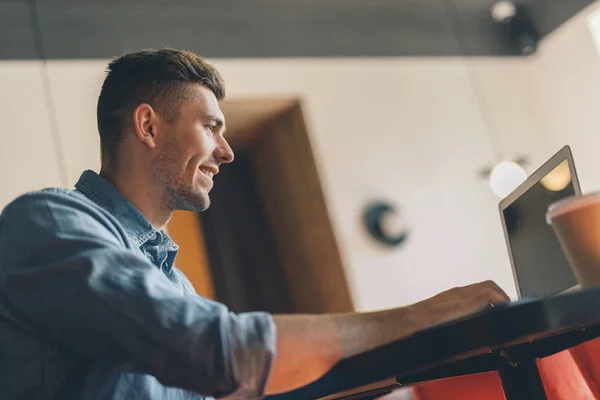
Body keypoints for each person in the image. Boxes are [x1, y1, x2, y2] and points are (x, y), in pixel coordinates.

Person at [0, 48, 508, 399]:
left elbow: (240, 379)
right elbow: (227, 353)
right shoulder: (49, 222)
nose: (226, 151)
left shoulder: (173, 282)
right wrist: (426, 316)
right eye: (210, 127)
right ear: (148, 125)